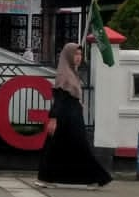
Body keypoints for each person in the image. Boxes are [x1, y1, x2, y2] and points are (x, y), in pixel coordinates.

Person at [37, 42, 112, 188]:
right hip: (65, 117)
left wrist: (78, 102)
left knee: (72, 147)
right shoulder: (64, 74)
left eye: (80, 54)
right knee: (63, 147)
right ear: (68, 56)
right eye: (75, 54)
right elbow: (59, 98)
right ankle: (96, 178)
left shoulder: (73, 73)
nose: (78, 57)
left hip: (73, 115)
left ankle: (91, 178)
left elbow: (71, 95)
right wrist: (53, 118)